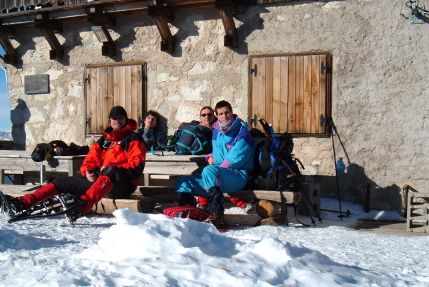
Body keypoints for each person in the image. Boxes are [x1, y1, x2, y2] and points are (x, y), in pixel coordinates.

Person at [0, 106, 146, 222]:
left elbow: (136, 168)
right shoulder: (104, 141)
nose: (116, 121)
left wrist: (107, 170)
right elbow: (90, 160)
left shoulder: (133, 138)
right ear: (110, 120)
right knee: (61, 181)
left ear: (126, 119)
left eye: (120, 118)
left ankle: (81, 207)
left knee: (112, 170)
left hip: (121, 185)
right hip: (99, 184)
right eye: (113, 118)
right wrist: (89, 172)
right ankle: (23, 203)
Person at [175, 100, 254, 224]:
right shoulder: (217, 131)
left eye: (227, 112)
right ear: (217, 116)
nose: (224, 116)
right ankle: (186, 211)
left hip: (237, 175)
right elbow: (217, 151)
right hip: (218, 176)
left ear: (232, 113)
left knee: (209, 171)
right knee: (184, 182)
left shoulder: (242, 133)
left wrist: (213, 171)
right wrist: (210, 157)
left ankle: (217, 214)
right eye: (221, 114)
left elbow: (236, 158)